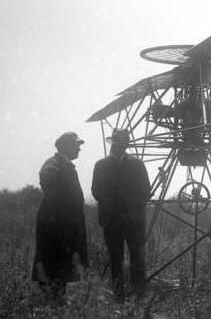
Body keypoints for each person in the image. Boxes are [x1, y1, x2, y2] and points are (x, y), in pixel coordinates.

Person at [92, 128, 151, 300]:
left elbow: (146, 190)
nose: (120, 146)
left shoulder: (137, 164)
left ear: (127, 144)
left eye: (124, 142)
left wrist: (134, 204)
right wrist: (113, 202)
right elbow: (96, 191)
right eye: (117, 142)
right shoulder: (101, 165)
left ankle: (140, 296)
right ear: (112, 143)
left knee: (138, 257)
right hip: (111, 220)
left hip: (134, 220)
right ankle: (119, 297)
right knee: (115, 259)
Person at [32, 132, 88, 303]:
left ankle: (57, 301)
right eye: (75, 145)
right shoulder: (52, 165)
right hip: (55, 226)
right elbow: (54, 193)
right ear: (63, 146)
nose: (79, 148)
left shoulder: (65, 165)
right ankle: (49, 304)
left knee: (61, 264)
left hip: (64, 227)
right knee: (51, 264)